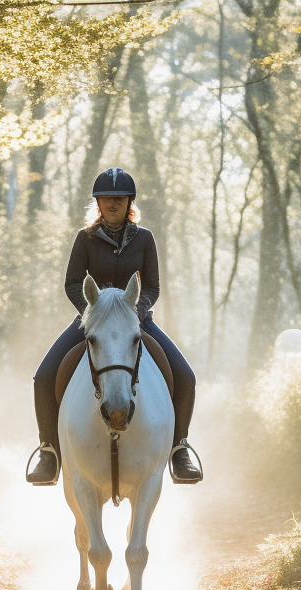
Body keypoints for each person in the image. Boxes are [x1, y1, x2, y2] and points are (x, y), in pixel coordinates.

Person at [26, 168, 202, 486]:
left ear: (128, 202)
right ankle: (49, 451)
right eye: (106, 198)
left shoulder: (145, 239)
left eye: (118, 199)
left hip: (137, 321)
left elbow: (152, 286)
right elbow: (72, 283)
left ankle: (179, 448)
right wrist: (94, 313)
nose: (112, 203)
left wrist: (135, 311)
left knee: (186, 377)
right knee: (43, 377)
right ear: (98, 202)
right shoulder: (85, 239)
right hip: (93, 321)